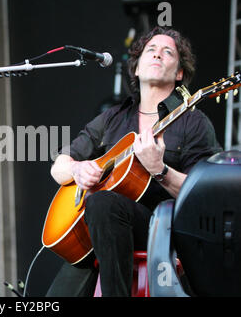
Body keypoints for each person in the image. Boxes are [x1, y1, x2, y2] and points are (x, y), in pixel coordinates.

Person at [47, 26, 222, 296]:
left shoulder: (193, 123)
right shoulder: (112, 118)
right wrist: (77, 168)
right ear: (137, 68)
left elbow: (204, 197)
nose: (157, 55)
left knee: (103, 202)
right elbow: (58, 166)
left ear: (179, 74)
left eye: (168, 52)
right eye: (150, 50)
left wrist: (160, 170)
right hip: (102, 229)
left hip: (163, 230)